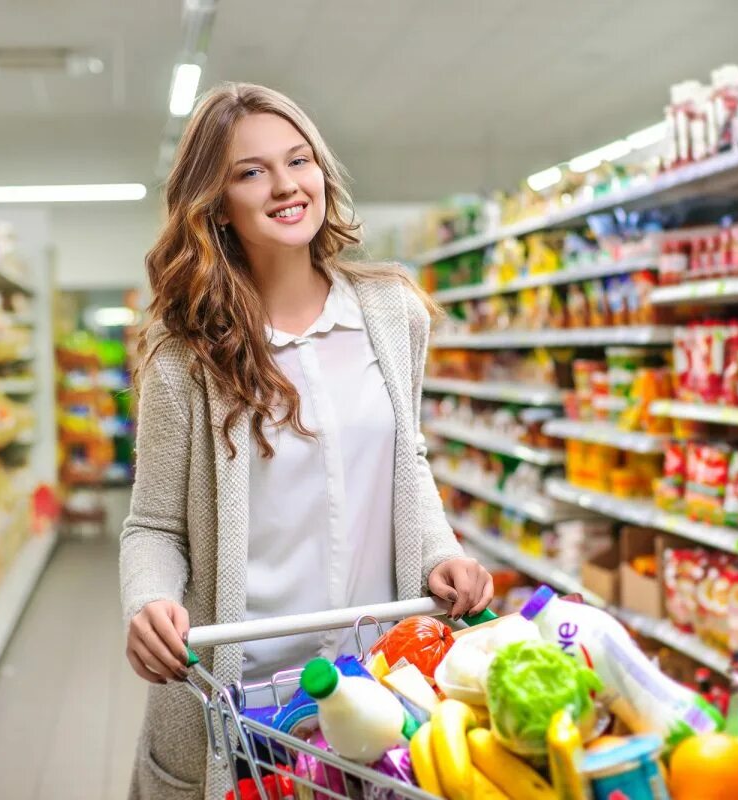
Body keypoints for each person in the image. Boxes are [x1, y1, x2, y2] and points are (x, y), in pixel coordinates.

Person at [119, 82, 493, 800]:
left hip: (383, 679)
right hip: (247, 700)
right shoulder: (184, 354)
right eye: (251, 171)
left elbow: (402, 459)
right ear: (215, 204)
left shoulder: (391, 312)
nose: (286, 185)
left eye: (300, 161)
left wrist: (442, 553)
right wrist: (148, 603)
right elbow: (153, 524)